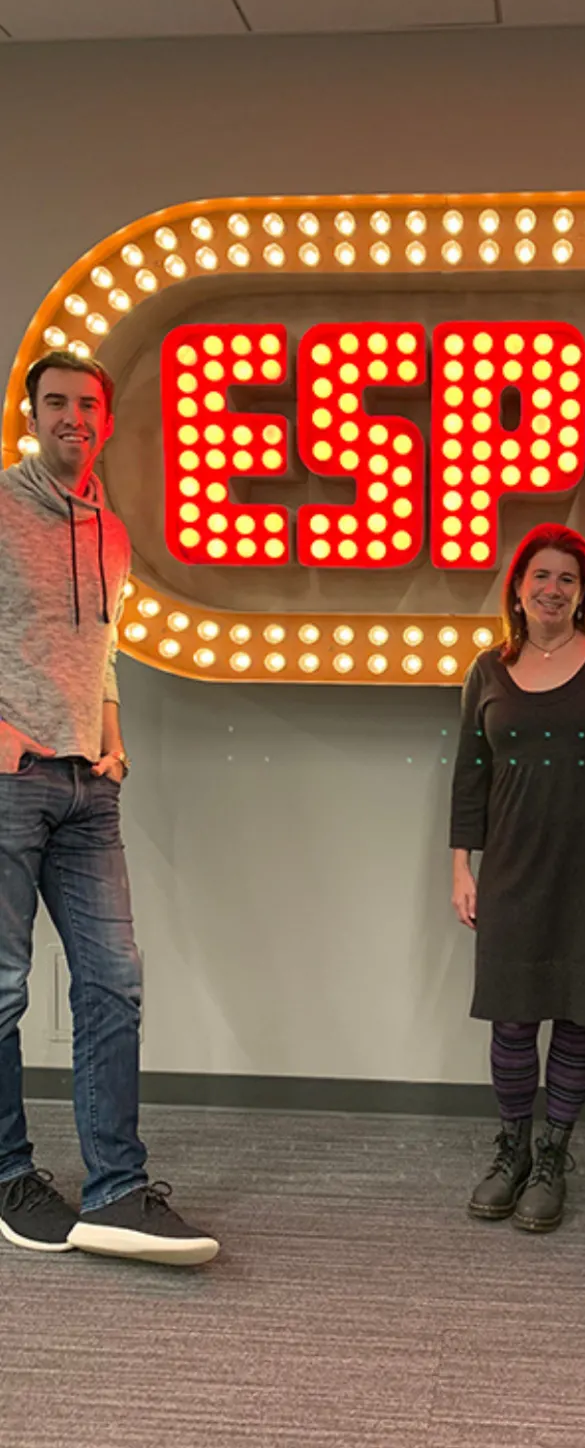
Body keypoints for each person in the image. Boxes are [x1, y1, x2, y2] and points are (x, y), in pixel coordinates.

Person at [0, 351, 218, 1265]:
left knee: (114, 981)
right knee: (3, 989)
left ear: (107, 420)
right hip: (12, 780)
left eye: (88, 405)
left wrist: (115, 738)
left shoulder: (113, 533)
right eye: (56, 403)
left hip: (91, 785)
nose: (72, 419)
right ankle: (9, 1177)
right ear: (32, 412)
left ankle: (117, 1191)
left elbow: (107, 650)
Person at [450, 524, 585, 1234]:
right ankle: (511, 1149)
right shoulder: (487, 669)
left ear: (583, 593)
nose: (552, 589)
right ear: (518, 587)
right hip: (513, 864)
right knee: (513, 1016)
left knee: (578, 1013)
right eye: (540, 576)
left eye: (567, 579)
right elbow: (470, 776)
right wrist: (462, 865)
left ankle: (553, 1156)